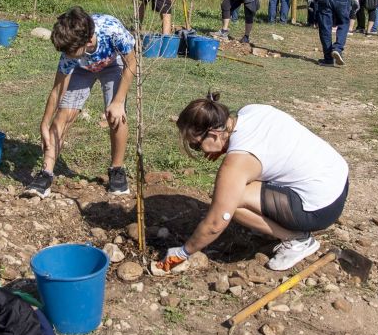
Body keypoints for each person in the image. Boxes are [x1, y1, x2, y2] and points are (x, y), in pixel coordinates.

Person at [150, 93, 349, 275]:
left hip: (321, 207)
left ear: (213, 135)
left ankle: (297, 240)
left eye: (196, 144)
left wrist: (184, 252)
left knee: (231, 203)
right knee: (233, 192)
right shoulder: (251, 111)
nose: (199, 150)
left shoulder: (239, 161)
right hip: (337, 179)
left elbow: (215, 224)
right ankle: (278, 222)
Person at [25, 7, 137, 198]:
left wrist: (118, 101)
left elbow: (132, 63)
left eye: (70, 51)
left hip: (113, 64)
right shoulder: (71, 52)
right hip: (82, 68)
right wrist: (44, 123)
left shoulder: (112, 31)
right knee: (64, 115)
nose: (66, 55)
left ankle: (117, 169)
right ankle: (46, 173)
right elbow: (57, 90)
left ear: (88, 40)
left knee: (116, 115)